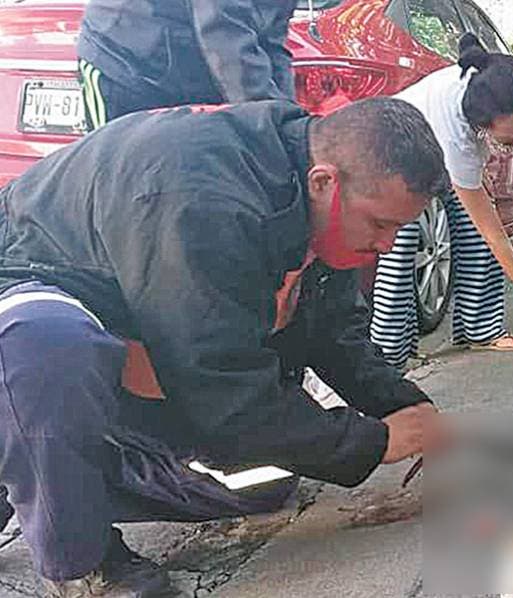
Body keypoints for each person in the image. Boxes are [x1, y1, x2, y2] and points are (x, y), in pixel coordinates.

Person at [0, 97, 449, 596]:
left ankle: (55, 468)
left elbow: (334, 332)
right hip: (27, 278)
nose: (387, 245)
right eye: (380, 224)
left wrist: (403, 404)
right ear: (325, 182)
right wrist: (374, 441)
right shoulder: (204, 198)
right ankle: (78, 558)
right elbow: (220, 387)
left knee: (262, 482)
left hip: (134, 306)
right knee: (50, 348)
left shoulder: (306, 180)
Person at [371, 34, 513, 367]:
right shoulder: (456, 134)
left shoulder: (489, 85)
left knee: (474, 232)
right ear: (480, 128)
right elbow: (495, 236)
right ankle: (388, 358)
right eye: (512, 140)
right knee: (400, 249)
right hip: (393, 159)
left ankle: (478, 329)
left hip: (431, 152)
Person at [76, 0, 297, 130]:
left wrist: (288, 117)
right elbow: (223, 31)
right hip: (123, 59)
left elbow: (272, 38)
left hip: (193, 63)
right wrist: (267, 124)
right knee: (117, 180)